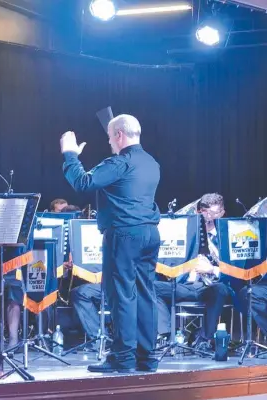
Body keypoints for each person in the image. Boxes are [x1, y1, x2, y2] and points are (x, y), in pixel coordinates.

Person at [61, 114, 161, 373]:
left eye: (109, 137)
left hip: (124, 234)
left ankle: (123, 358)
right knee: (145, 294)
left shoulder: (119, 163)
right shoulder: (151, 162)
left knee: (122, 296)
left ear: (119, 135)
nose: (109, 142)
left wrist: (70, 154)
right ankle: (146, 357)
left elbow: (83, 182)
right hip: (149, 233)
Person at [155, 193, 233, 350]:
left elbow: (237, 269)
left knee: (220, 289)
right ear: (199, 212)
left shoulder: (227, 237)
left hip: (211, 286)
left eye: (214, 213)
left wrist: (212, 269)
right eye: (206, 212)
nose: (209, 217)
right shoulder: (184, 234)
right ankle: (168, 336)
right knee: (150, 286)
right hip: (185, 285)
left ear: (223, 213)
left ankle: (205, 339)